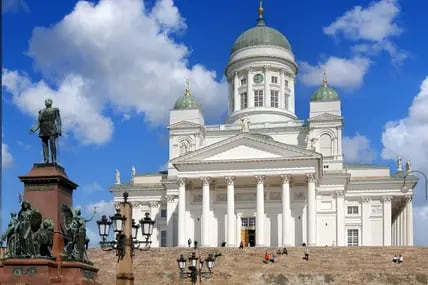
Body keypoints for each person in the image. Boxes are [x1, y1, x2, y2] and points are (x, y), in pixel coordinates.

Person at [29, 98, 62, 164]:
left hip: (52, 127)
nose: (47, 102)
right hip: (43, 128)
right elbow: (39, 122)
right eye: (46, 101)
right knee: (44, 144)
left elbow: (58, 120)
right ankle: (46, 160)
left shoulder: (55, 110)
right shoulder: (41, 111)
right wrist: (34, 129)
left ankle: (53, 160)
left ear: (51, 102)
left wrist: (59, 129)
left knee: (52, 144)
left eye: (49, 101)